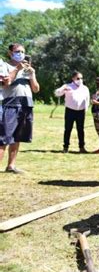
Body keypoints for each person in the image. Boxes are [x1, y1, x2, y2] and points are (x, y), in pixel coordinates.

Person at [0, 43, 40, 174]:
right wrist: (17, 69)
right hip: (10, 103)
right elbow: (6, 83)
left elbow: (36, 89)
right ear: (10, 53)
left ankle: (11, 165)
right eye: (17, 51)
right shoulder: (4, 66)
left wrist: (32, 74)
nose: (21, 54)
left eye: (23, 52)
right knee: (4, 138)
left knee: (18, 137)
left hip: (26, 105)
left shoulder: (27, 69)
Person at [54, 71, 90, 153]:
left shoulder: (85, 88)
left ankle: (82, 147)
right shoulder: (68, 86)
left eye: (81, 78)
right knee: (68, 129)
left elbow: (87, 99)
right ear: (73, 78)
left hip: (81, 111)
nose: (80, 80)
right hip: (70, 111)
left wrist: (86, 109)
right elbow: (57, 93)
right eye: (78, 78)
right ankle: (65, 147)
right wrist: (63, 89)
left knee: (80, 130)